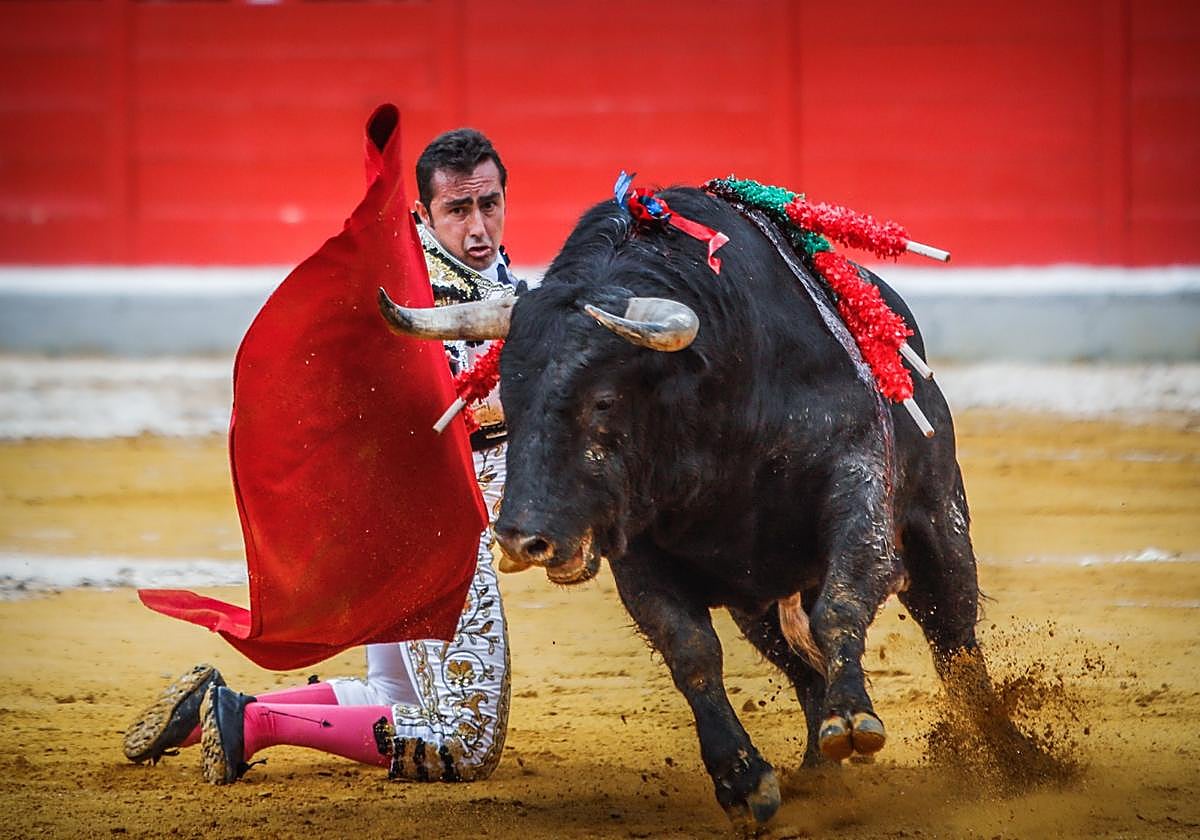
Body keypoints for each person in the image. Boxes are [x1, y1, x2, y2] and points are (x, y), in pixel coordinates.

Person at [122, 128, 518, 785]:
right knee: (462, 744)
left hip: (410, 538)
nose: (479, 226)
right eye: (458, 209)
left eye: (491, 203)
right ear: (423, 214)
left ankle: (219, 712)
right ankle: (252, 724)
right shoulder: (409, 298)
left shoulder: (488, 279)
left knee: (401, 704)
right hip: (430, 546)